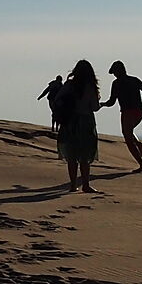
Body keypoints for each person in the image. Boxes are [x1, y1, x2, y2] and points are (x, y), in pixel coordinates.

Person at [53, 60, 101, 193]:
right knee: (85, 156)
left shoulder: (69, 85)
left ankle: (73, 185)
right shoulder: (90, 87)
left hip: (70, 122)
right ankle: (86, 185)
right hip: (86, 122)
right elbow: (95, 107)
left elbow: (57, 99)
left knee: (72, 156)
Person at [100, 60, 142, 172]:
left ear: (119, 71)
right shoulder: (134, 80)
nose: (114, 75)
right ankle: (138, 144)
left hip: (128, 113)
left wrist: (102, 104)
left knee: (128, 137)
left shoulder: (116, 83)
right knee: (128, 131)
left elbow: (111, 102)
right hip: (139, 112)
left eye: (115, 72)